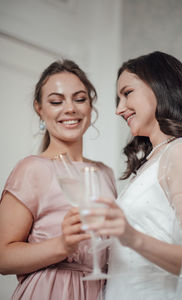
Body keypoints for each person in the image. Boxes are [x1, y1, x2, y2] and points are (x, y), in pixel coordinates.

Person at [83, 51, 182, 299]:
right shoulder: (152, 160)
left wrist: (131, 237)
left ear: (160, 87)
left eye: (127, 93)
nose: (118, 109)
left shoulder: (180, 153)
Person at [0, 59, 117, 300]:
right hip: (49, 291)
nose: (70, 108)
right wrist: (61, 246)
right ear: (40, 109)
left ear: (90, 106)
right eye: (56, 101)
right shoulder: (31, 169)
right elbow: (2, 258)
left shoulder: (105, 173)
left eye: (80, 99)